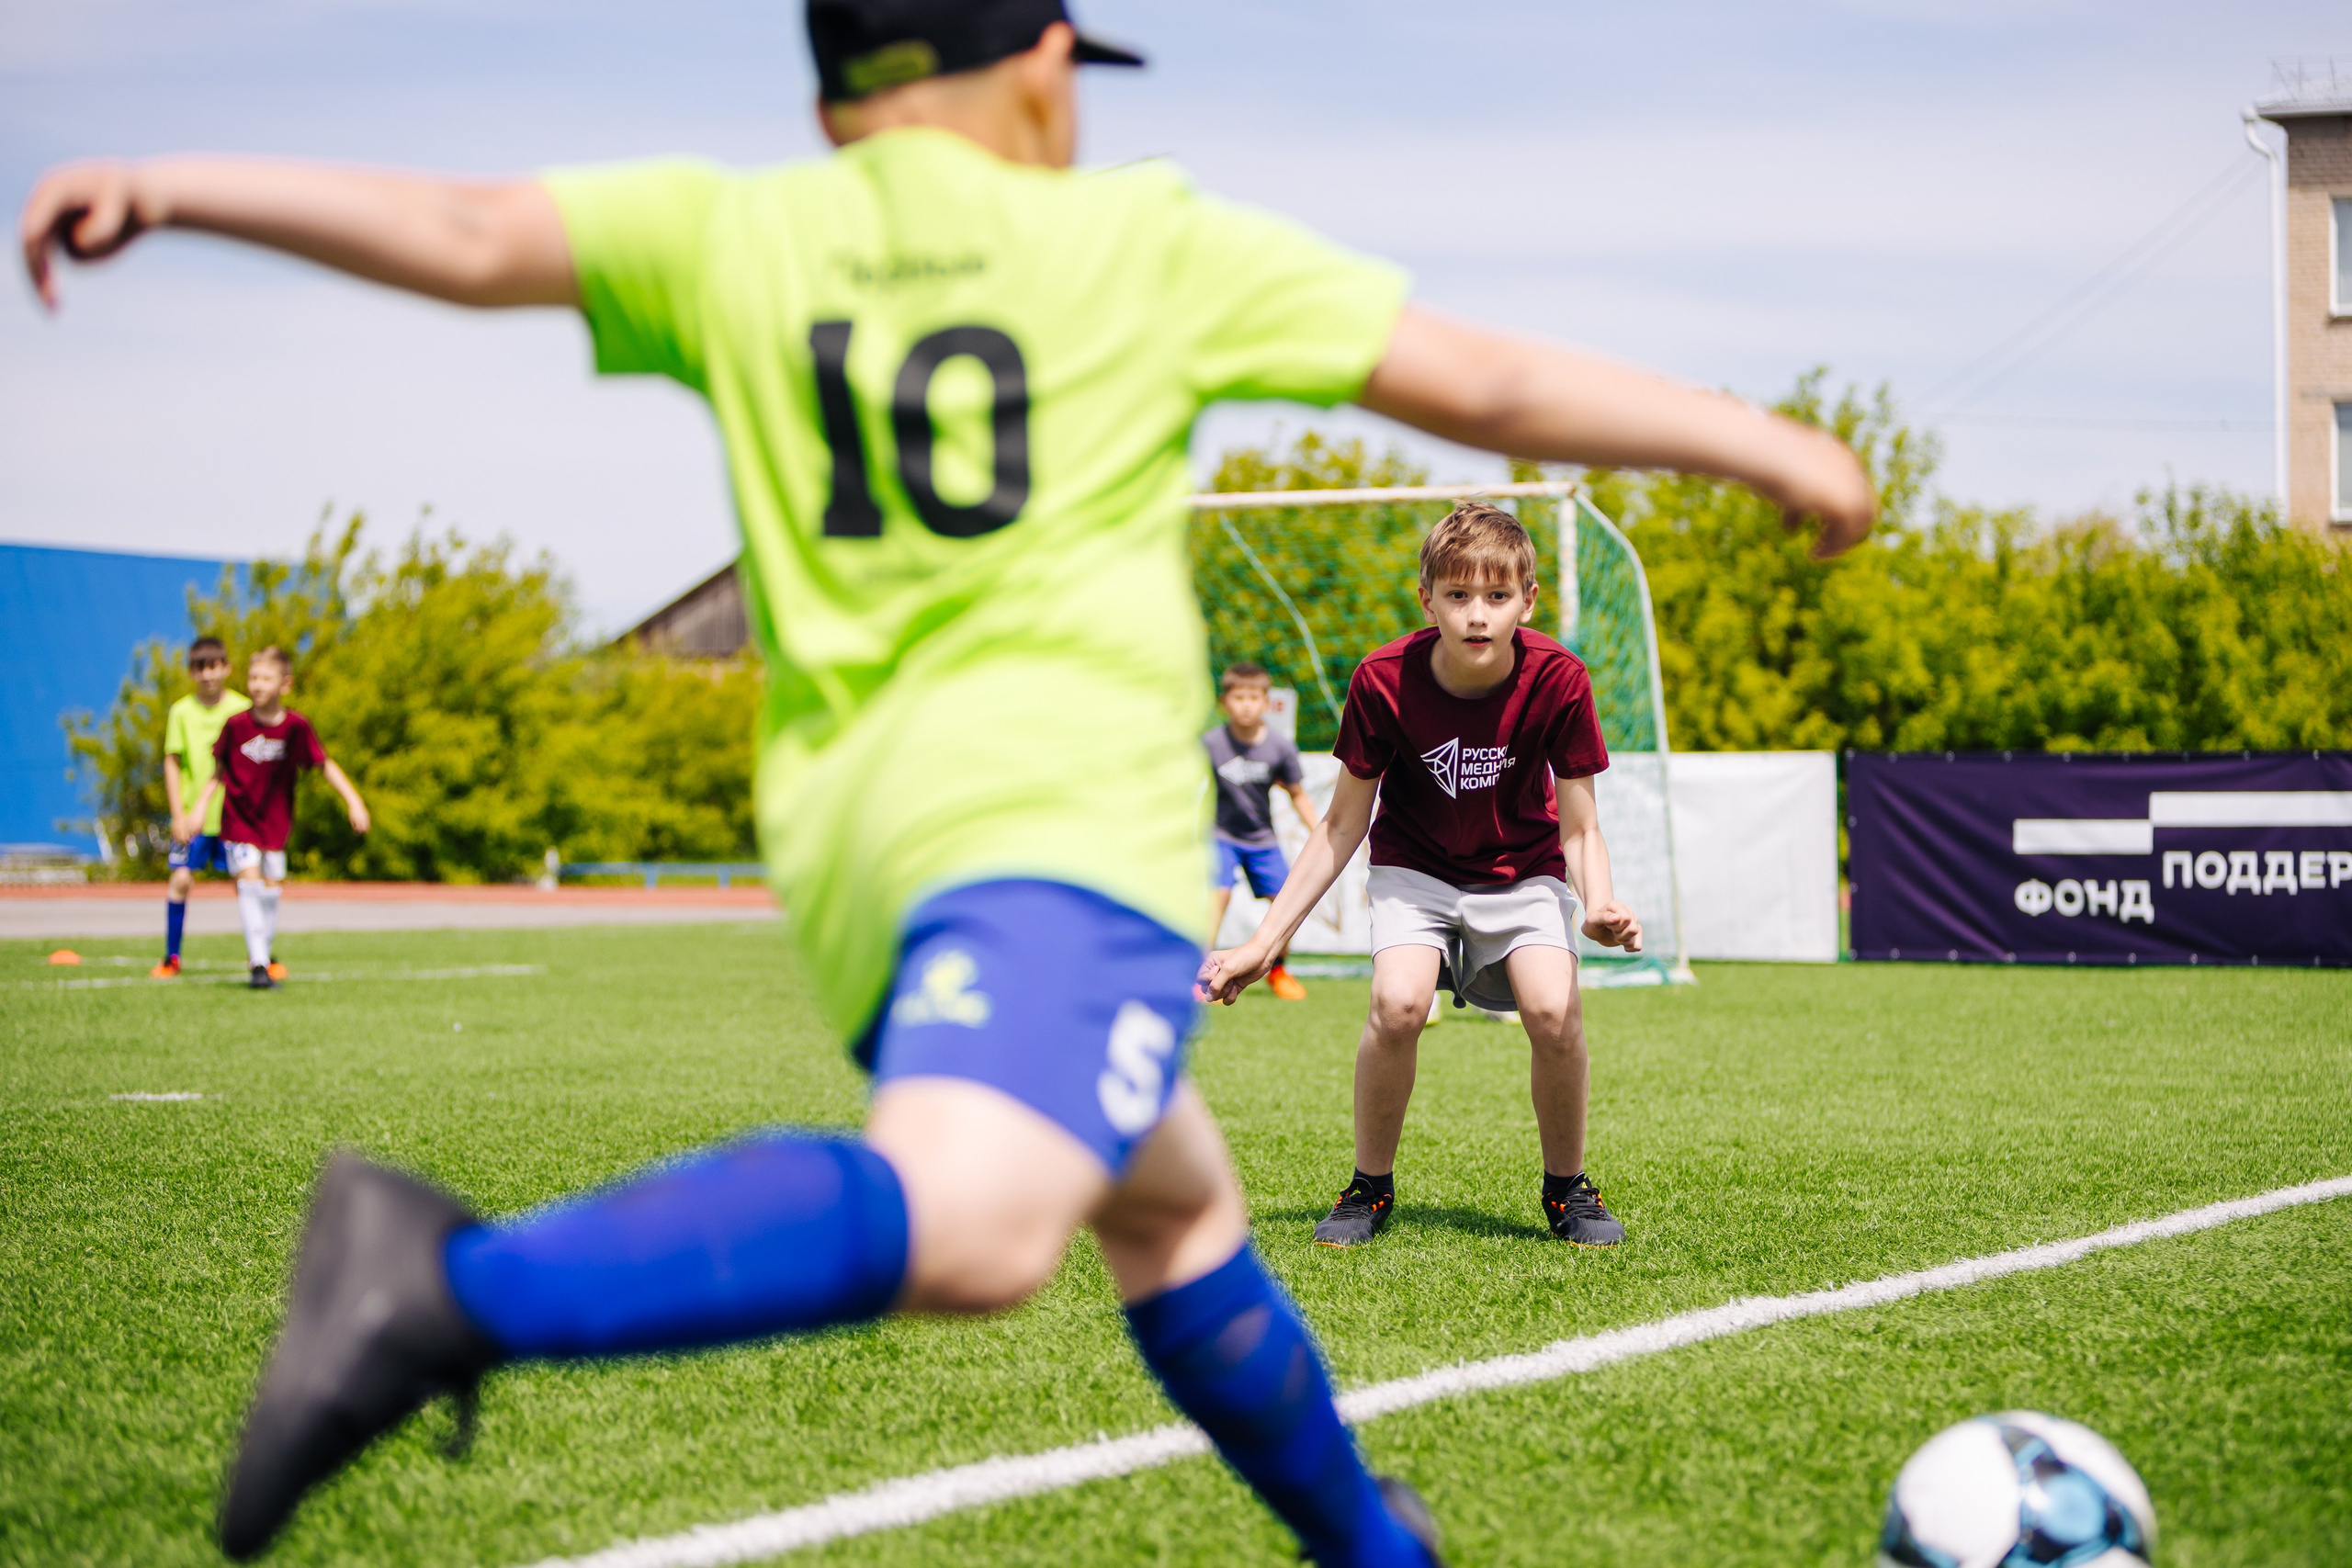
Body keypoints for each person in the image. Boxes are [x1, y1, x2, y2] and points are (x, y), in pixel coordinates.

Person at [18, 0, 1875, 1560]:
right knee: (986, 1222)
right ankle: (447, 1286)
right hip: (1050, 846)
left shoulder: (736, 232)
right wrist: (1750, 439)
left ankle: (1372, 1546)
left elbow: (466, 228)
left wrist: (177, 182)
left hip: (858, 873)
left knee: (1172, 1209)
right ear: (1045, 67)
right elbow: (1476, 377)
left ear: (835, 101)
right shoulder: (1135, 241)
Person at [1199, 499, 1644, 1249]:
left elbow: (1580, 825)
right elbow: (1340, 827)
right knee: (1398, 1004)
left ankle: (1567, 1188)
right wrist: (1262, 944)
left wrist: (1598, 902)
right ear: (1427, 597)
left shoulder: (1561, 679)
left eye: (1498, 597)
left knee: (1554, 1011)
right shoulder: (1380, 680)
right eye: (1459, 595)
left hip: (1522, 873)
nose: (1478, 614)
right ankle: (1369, 1187)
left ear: (1528, 601)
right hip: (1416, 869)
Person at [184, 648, 371, 990]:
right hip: (239, 821)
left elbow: (323, 763)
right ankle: (258, 964)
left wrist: (353, 800)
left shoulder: (296, 726)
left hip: (276, 823)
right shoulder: (236, 725)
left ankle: (263, 954)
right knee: (249, 882)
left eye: (266, 678)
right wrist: (199, 807)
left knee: (271, 889)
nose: (257, 685)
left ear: (285, 684)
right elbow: (218, 771)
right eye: (253, 677)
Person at [1204, 661, 1320, 1001]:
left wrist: (1318, 831)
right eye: (1238, 697)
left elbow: (1296, 793)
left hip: (1262, 841)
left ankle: (1279, 970)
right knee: (1216, 897)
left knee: (1285, 903)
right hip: (1220, 836)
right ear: (1224, 702)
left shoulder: (1279, 748)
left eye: (1254, 697)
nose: (1246, 704)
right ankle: (1202, 973)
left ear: (1267, 703)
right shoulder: (1210, 744)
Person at [153, 636, 252, 978]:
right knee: (180, 880)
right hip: (193, 819)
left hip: (234, 817)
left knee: (247, 884)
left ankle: (261, 956)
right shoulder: (181, 711)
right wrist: (179, 813)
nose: (208, 674)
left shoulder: (242, 709)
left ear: (226, 668)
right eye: (200, 667)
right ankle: (172, 958)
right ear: (191, 672)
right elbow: (171, 762)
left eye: (213, 666)